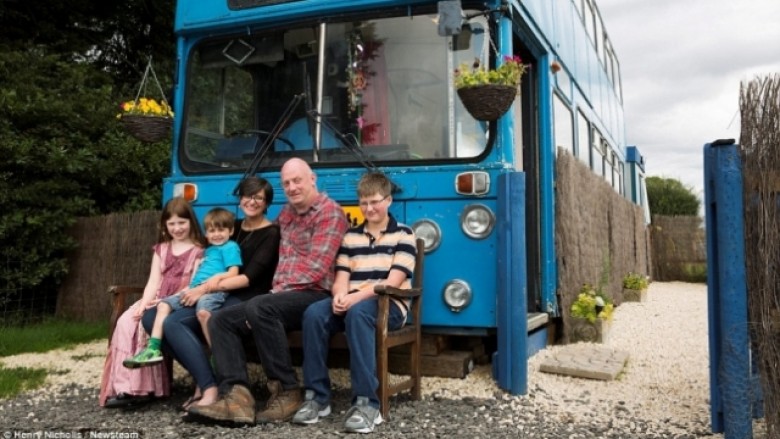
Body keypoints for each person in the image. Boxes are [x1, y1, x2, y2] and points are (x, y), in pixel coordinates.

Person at [189, 157, 349, 424]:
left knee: (261, 306)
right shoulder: (286, 213)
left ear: (313, 179)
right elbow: (263, 234)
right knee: (221, 320)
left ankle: (287, 390)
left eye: (297, 180)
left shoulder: (330, 213)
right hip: (281, 297)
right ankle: (236, 397)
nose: (292, 187)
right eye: (286, 183)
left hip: (313, 296)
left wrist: (274, 293)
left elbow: (316, 268)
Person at [141, 177, 280, 411]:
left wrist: (204, 288)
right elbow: (207, 259)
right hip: (215, 293)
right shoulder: (230, 226)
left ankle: (207, 387)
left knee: (175, 323)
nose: (251, 201)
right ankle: (206, 377)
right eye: (247, 195)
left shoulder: (271, 233)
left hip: (245, 296)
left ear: (267, 203)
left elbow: (248, 278)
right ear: (240, 198)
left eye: (258, 197)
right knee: (151, 317)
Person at [293, 172, 416, 433]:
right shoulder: (350, 237)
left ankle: (367, 403)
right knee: (314, 313)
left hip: (389, 306)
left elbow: (393, 282)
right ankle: (317, 397)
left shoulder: (404, 234)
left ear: (389, 200)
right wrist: (338, 295)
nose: (368, 208)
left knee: (359, 313)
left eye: (374, 202)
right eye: (363, 203)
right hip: (353, 302)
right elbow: (341, 278)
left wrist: (353, 298)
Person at [99, 197, 205, 408]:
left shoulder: (198, 250)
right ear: (164, 225)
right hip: (155, 296)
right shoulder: (161, 249)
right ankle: (125, 388)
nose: (177, 228)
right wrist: (142, 304)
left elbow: (194, 284)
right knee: (127, 322)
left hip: (178, 300)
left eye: (182, 222)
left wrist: (165, 301)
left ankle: (147, 388)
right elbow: (153, 282)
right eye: (172, 223)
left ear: (191, 222)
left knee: (147, 324)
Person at [124, 208, 242, 369]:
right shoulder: (208, 250)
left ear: (231, 230)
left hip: (213, 290)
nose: (216, 234)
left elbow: (234, 272)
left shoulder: (230, 247)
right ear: (206, 234)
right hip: (194, 289)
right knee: (163, 305)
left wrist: (217, 278)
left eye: (221, 230)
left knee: (203, 313)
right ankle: (153, 348)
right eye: (212, 231)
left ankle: (217, 353)